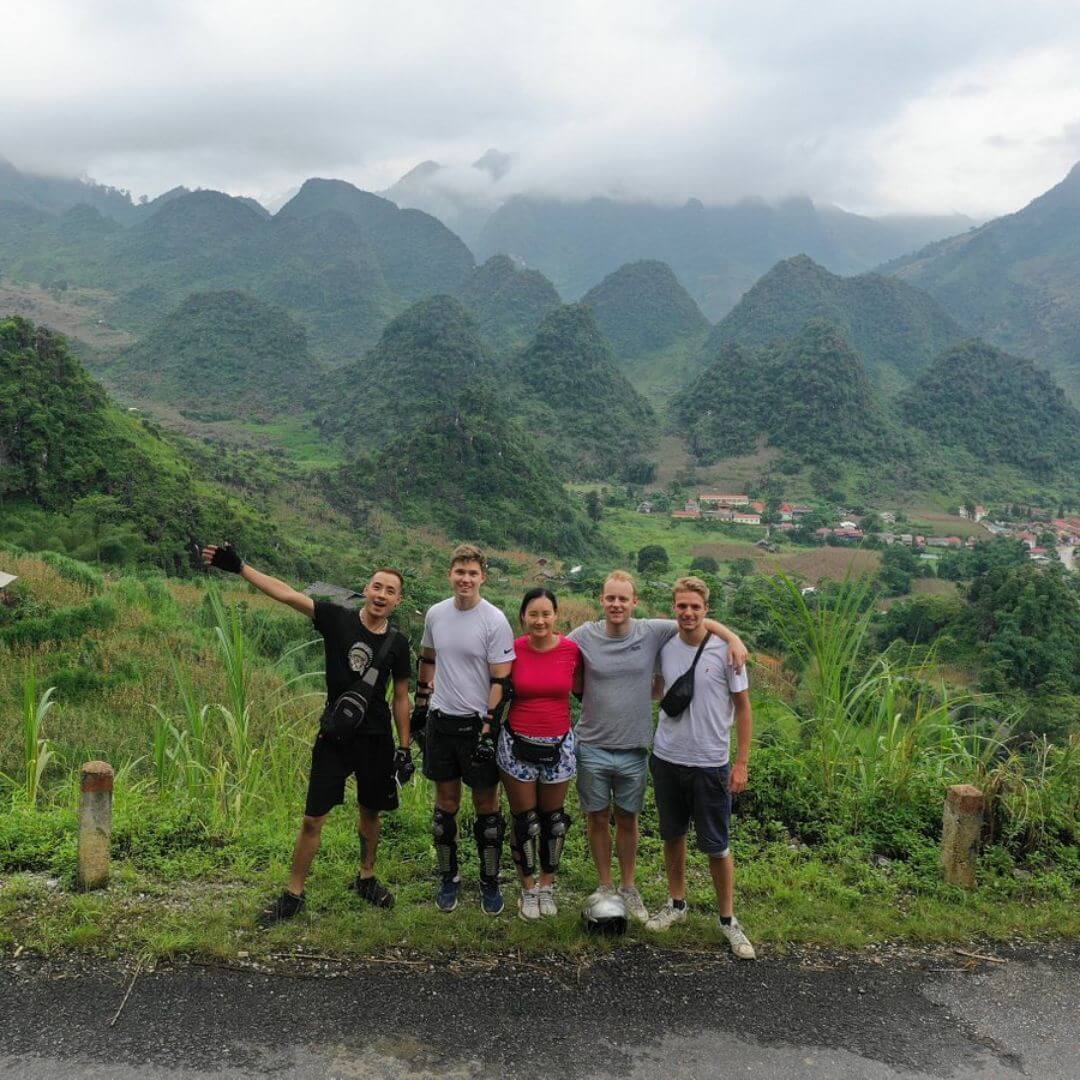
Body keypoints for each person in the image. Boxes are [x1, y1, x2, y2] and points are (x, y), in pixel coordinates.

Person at [201, 543, 414, 924]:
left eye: (390, 591)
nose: (381, 595)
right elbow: (286, 593)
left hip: (376, 739)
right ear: (366, 590)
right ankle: (293, 893)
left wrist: (404, 747)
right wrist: (241, 568)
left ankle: (366, 877)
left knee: (371, 813)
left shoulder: (398, 644)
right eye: (376, 587)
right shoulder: (336, 619)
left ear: (397, 600)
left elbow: (401, 697)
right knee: (312, 819)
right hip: (335, 736)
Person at [568, 570, 747, 924]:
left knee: (629, 818)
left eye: (623, 598)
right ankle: (606, 886)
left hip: (636, 746)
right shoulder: (583, 636)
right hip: (592, 744)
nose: (616, 604)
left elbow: (694, 619)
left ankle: (629, 888)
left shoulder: (652, 631)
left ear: (635, 602)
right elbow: (556, 650)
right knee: (598, 817)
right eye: (610, 598)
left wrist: (733, 637)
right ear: (601, 600)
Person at [645, 576, 755, 960]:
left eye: (695, 606)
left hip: (710, 763)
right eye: (681, 606)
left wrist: (741, 762)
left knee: (717, 845)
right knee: (672, 836)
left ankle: (728, 920)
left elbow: (743, 708)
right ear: (673, 608)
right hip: (667, 757)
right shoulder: (665, 646)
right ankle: (677, 904)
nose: (688, 613)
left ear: (706, 610)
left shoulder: (727, 650)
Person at [412, 544, 515, 915]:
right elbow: (428, 658)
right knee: (445, 808)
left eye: (472, 573)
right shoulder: (436, 614)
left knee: (487, 809)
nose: (465, 579)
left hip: (477, 726)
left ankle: (489, 881)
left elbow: (501, 682)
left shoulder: (494, 620)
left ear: (482, 577)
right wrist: (421, 706)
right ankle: (448, 878)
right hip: (442, 721)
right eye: (460, 572)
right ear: (450, 574)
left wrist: (489, 730)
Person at [497, 588, 582, 920]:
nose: (540, 620)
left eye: (546, 614)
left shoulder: (572, 650)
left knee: (554, 821)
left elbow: (584, 689)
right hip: (517, 744)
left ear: (556, 616)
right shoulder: (513, 650)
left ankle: (548, 884)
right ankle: (528, 888)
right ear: (522, 617)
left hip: (559, 744)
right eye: (533, 614)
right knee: (526, 823)